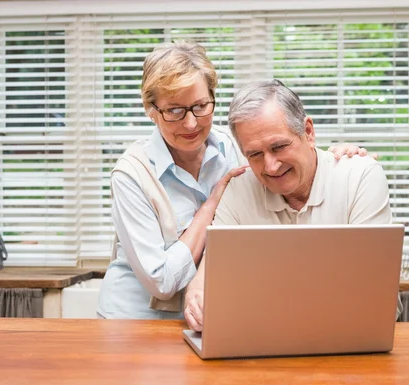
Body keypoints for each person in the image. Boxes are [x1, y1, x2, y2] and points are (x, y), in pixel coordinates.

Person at [97, 42, 371, 320]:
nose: (191, 124)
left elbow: (278, 164)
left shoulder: (234, 147)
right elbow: (163, 282)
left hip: (208, 317)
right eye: (175, 111)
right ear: (150, 110)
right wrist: (210, 206)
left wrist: (332, 159)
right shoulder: (131, 174)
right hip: (134, 319)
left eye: (201, 106)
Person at [184, 79, 401, 332]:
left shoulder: (360, 177)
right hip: (263, 338)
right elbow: (210, 276)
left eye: (279, 147)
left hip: (350, 336)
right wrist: (196, 299)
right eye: (254, 154)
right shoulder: (238, 189)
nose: (271, 166)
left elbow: (371, 292)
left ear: (308, 132)